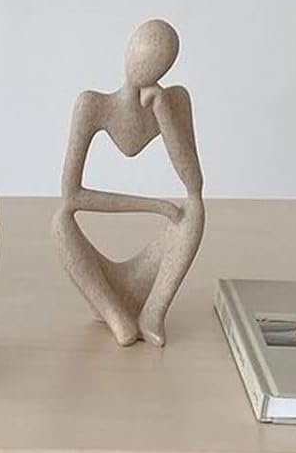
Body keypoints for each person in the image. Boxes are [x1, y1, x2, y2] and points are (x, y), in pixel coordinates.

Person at [53, 19, 204, 347]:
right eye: (141, 58)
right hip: (101, 277)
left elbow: (194, 185)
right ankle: (114, 313)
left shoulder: (175, 101)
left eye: (156, 63)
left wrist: (163, 114)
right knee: (61, 221)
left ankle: (153, 313)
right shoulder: (92, 105)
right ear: (128, 53)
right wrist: (154, 206)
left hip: (147, 271)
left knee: (194, 210)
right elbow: (72, 196)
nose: (143, 68)